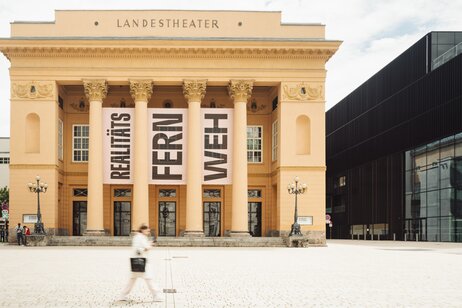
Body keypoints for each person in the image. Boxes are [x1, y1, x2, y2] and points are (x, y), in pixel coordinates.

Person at [119, 224, 163, 302]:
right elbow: (141, 249)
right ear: (142, 230)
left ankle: (122, 295)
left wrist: (148, 245)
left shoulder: (138, 237)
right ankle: (156, 295)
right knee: (149, 278)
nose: (148, 232)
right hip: (141, 261)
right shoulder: (140, 237)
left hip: (136, 261)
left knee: (132, 279)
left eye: (149, 231)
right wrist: (149, 246)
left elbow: (139, 247)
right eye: (147, 230)